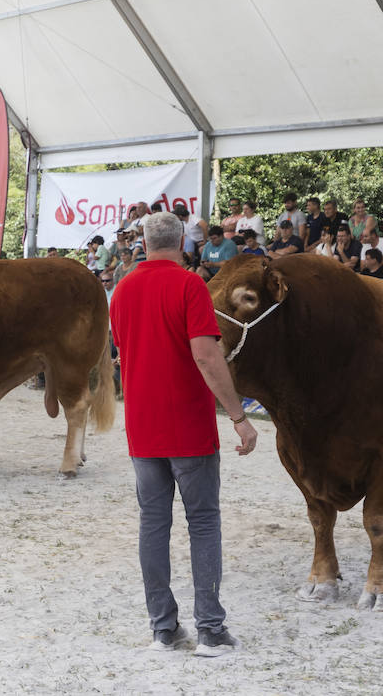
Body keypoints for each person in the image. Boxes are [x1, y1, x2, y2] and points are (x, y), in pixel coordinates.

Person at [108, 211, 257, 657]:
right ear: (183, 242)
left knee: (153, 526)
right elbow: (207, 357)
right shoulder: (191, 285)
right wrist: (238, 415)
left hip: (142, 425)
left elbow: (124, 349)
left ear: (144, 242)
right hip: (188, 425)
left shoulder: (122, 290)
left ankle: (163, 628)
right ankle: (210, 629)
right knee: (204, 523)